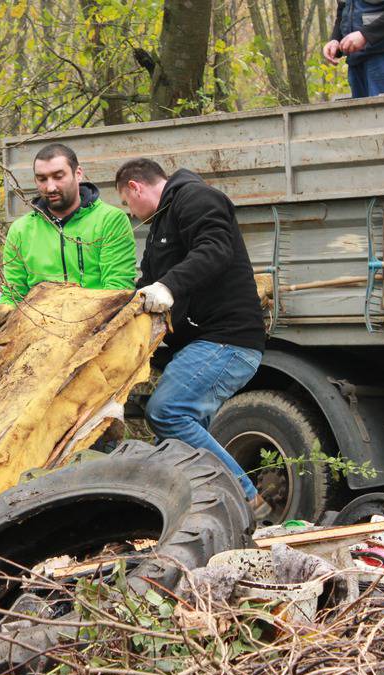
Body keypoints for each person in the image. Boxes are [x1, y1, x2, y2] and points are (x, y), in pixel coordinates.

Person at [115, 158, 271, 518]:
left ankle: (247, 498)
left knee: (168, 412)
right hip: (202, 344)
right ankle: (204, 515)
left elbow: (215, 249)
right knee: (173, 446)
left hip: (228, 341)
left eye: (126, 202)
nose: (131, 212)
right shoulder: (161, 227)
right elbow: (148, 285)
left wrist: (170, 285)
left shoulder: (196, 198)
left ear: (135, 187)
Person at [0, 143, 137, 306]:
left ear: (78, 174)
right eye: (42, 179)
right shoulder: (20, 230)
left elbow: (118, 291)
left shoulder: (110, 220)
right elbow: (13, 297)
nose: (50, 187)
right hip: (38, 327)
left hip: (99, 324)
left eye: (58, 176)